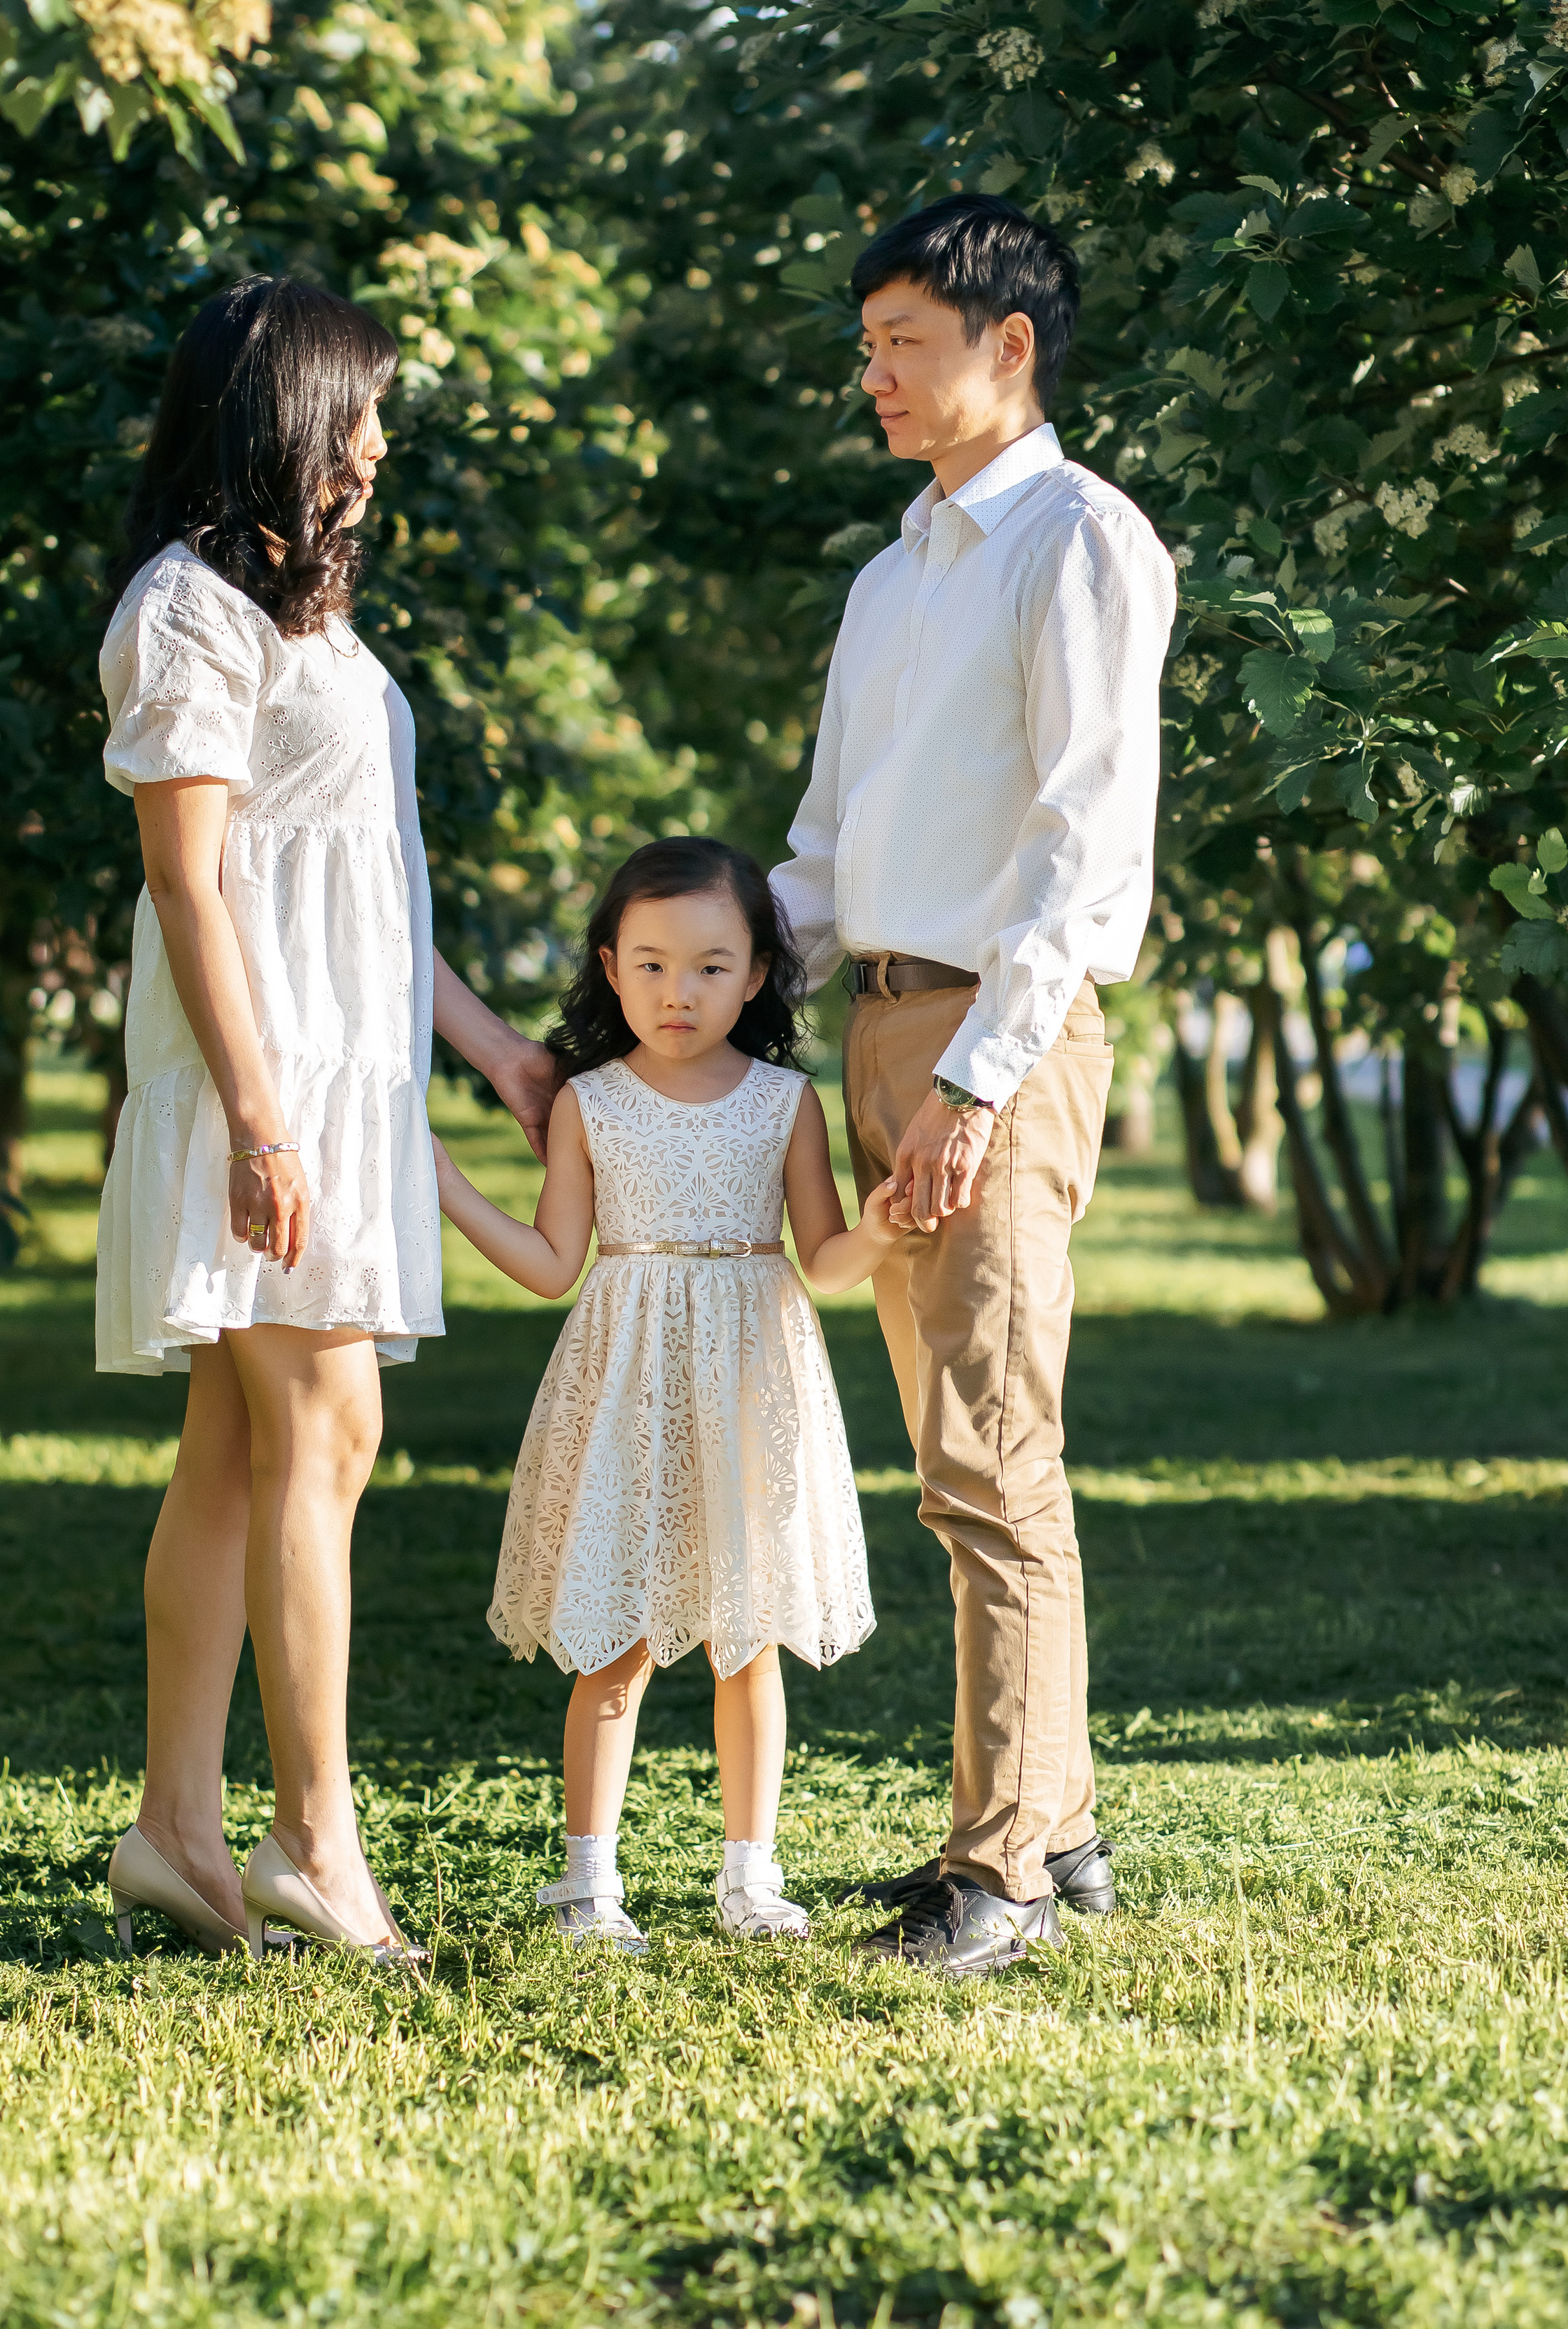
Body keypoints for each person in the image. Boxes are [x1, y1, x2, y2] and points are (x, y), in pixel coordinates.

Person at [94, 274, 560, 1964]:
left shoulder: (308, 617)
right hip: (263, 1082)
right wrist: (260, 1118)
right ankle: (311, 1842)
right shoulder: (186, 614)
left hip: (335, 1077)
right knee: (329, 1434)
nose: (375, 447)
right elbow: (195, 886)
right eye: (354, 411)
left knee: (239, 1454)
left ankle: (173, 1832)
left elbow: (372, 884)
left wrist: (499, 1053)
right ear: (277, 412)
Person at [769, 194, 1177, 1978]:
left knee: (990, 1460)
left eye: (901, 346)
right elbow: (823, 850)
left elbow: (1082, 848)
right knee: (960, 1453)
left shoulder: (1078, 544)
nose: (872, 377)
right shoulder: (889, 573)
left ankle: (1000, 1868)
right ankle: (1056, 1820)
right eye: (866, 348)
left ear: (1007, 348)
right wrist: (667, 1006)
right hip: (877, 1020)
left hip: (991, 1039)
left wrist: (974, 1081)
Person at [431, 839, 897, 1947]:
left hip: (749, 1376)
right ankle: (588, 1884)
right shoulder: (591, 1104)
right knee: (614, 1635)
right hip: (627, 1383)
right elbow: (554, 1264)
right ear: (608, 966)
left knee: (751, 1634)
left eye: (708, 966)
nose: (676, 993)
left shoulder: (788, 1103)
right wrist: (449, 1186)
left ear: (756, 975)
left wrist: (884, 1233)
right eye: (648, 965)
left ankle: (752, 1875)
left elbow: (822, 1257)